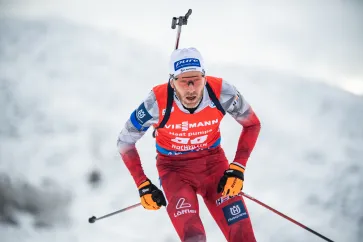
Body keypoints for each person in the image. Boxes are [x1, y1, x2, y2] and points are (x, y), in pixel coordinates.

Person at [117, 47, 261, 242]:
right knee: (194, 238)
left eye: (197, 80)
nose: (192, 88)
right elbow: (125, 141)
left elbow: (252, 124)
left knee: (242, 235)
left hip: (214, 167)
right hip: (174, 171)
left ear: (204, 76)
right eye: (184, 81)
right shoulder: (156, 102)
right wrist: (142, 183)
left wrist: (238, 166)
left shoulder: (221, 92)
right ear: (172, 81)